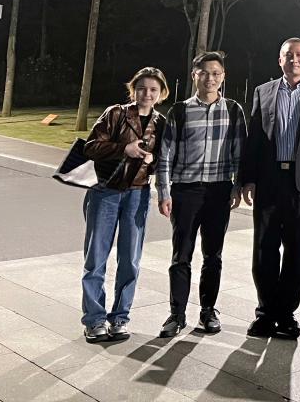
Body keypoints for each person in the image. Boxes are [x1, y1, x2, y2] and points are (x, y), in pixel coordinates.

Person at [239, 38, 300, 340]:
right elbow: (254, 138)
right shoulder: (263, 91)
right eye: (288, 55)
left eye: (299, 55)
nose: (294, 59)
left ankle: (286, 314)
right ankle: (265, 313)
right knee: (264, 248)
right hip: (268, 180)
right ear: (280, 60)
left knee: (295, 250)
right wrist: (248, 178)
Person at [155, 50, 245, 338]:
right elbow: (165, 155)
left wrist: (237, 186)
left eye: (216, 73)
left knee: (213, 255)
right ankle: (177, 314)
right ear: (194, 75)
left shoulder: (233, 110)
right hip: (185, 191)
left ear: (223, 77)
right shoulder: (179, 111)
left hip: (219, 190)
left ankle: (208, 311)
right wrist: (163, 192)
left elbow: (239, 153)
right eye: (204, 73)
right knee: (181, 255)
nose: (210, 78)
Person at [81, 67, 169, 343]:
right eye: (141, 88)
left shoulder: (161, 123)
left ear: (161, 93)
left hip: (138, 194)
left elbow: (164, 160)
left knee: (130, 259)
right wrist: (124, 149)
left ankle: (120, 318)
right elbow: (90, 147)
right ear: (133, 90)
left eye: (153, 89)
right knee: (96, 258)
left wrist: (151, 161)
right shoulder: (115, 113)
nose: (147, 94)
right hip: (105, 191)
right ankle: (94, 320)